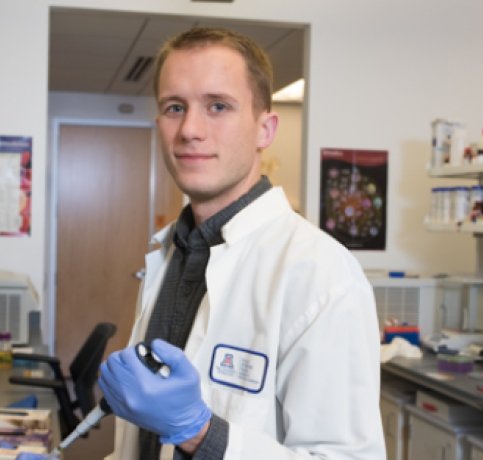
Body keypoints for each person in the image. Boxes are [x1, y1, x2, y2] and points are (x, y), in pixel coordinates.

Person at [98, 27, 385, 460]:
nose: (190, 130)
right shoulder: (173, 253)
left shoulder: (320, 273)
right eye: (175, 107)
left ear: (264, 129)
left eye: (218, 106)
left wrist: (199, 433)